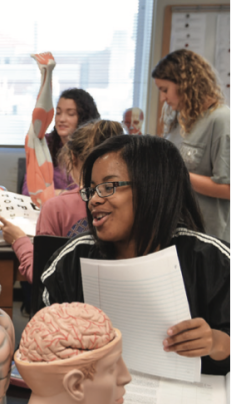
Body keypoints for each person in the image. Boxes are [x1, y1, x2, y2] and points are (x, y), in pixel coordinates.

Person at [40, 135, 230, 376]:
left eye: (109, 187)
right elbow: (41, 339)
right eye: (91, 190)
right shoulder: (71, 260)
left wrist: (216, 342)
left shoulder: (215, 260)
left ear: (153, 187)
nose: (94, 200)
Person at [0, 120, 124, 283]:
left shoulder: (56, 208)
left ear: (72, 158)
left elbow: (41, 275)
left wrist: (19, 240)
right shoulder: (130, 201)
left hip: (67, 305)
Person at [152, 49, 230, 242]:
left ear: (186, 85)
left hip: (208, 236)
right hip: (176, 227)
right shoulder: (178, 116)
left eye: (165, 90)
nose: (162, 98)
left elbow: (227, 188)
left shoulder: (220, 119)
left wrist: (178, 174)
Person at [22, 88, 100, 194]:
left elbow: (93, 192)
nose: (61, 119)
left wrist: (52, 194)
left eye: (70, 114)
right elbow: (29, 191)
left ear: (85, 117)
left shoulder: (96, 147)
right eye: (58, 113)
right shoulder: (44, 143)